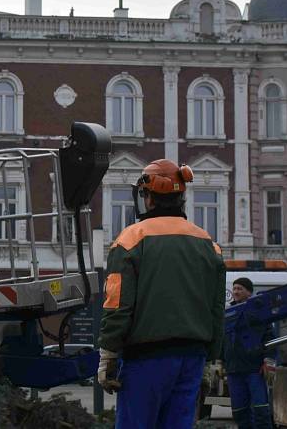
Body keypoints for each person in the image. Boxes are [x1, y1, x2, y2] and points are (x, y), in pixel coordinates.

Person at [97, 158, 227, 428]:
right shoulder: (208, 244)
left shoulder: (131, 239)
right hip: (192, 358)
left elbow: (118, 304)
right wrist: (211, 357)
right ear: (182, 196)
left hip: (147, 357)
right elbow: (217, 308)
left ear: (148, 197)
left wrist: (108, 353)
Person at [224, 277, 276, 429]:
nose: (236, 291)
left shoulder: (258, 312)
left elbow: (269, 337)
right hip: (234, 370)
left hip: (255, 370)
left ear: (249, 292)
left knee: (260, 411)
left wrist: (269, 359)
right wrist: (221, 360)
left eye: (240, 288)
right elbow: (223, 339)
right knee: (239, 412)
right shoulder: (228, 313)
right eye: (234, 289)